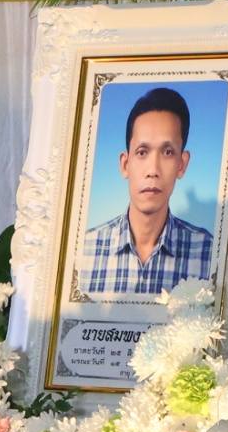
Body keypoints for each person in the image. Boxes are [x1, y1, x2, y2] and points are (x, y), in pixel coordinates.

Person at [76, 86, 215, 296]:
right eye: (142, 152)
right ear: (125, 164)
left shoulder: (210, 254)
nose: (153, 170)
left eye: (167, 152)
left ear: (181, 165)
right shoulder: (83, 251)